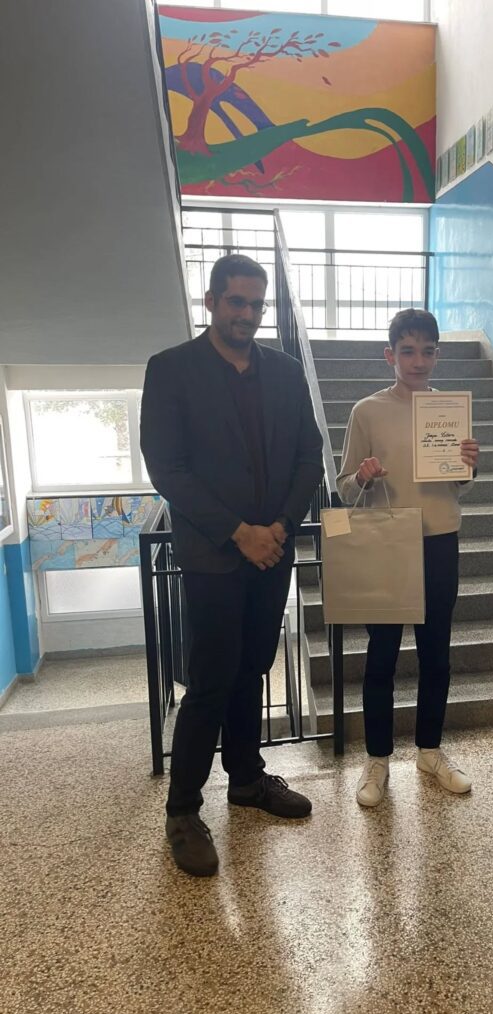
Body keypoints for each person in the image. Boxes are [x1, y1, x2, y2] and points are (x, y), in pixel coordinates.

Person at [141, 254, 323, 876]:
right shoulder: (171, 369)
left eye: (256, 304)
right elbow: (168, 469)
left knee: (254, 668)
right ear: (212, 302)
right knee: (212, 680)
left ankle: (246, 779)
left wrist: (279, 528)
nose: (247, 313)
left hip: (272, 552)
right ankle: (183, 811)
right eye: (236, 302)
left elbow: (309, 456)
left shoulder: (285, 371)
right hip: (214, 556)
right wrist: (239, 532)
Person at [336, 308, 480, 807]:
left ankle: (429, 751)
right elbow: (343, 486)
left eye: (427, 351)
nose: (418, 361)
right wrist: (362, 477)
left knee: (436, 653)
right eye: (408, 351)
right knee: (382, 656)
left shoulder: (450, 410)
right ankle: (377, 759)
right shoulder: (367, 411)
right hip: (386, 542)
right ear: (390, 355)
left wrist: (468, 468)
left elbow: (458, 484)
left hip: (440, 539)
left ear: (437, 354)